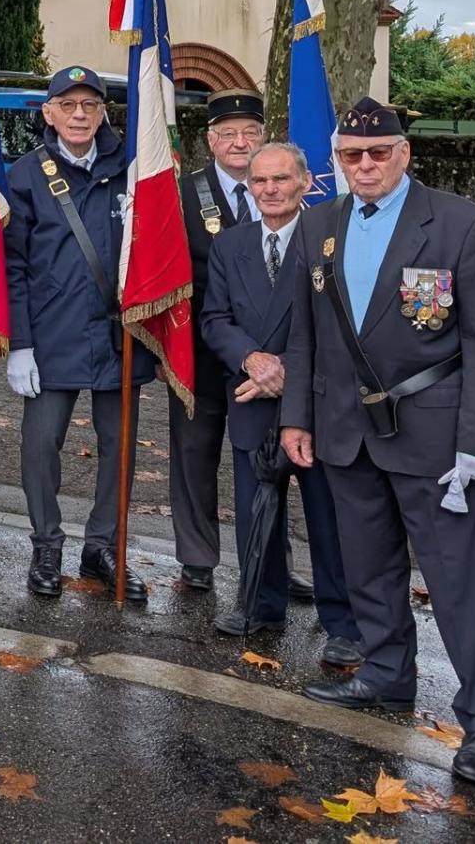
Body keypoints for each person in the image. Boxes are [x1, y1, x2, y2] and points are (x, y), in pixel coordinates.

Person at [281, 97, 475, 786]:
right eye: (352, 155)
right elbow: (306, 334)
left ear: (404, 153)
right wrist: (297, 416)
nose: (366, 165)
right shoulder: (319, 223)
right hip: (346, 431)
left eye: (378, 152)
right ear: (338, 161)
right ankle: (385, 674)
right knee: (369, 568)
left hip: (435, 434)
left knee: (457, 579)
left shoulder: (461, 224)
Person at [200, 140, 360, 663]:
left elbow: (342, 321)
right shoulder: (230, 245)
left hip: (313, 401)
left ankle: (343, 622)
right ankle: (259, 604)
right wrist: (252, 360)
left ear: (306, 183)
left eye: (281, 180)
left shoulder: (331, 238)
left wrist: (287, 372)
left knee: (328, 518)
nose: (270, 190)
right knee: (254, 510)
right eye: (260, 181)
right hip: (250, 394)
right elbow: (215, 320)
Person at [5, 65, 149, 602]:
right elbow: (13, 264)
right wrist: (19, 343)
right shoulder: (24, 175)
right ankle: (46, 544)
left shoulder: (133, 169)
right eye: (68, 105)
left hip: (119, 335)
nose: (80, 114)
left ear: (103, 112)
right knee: (41, 445)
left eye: (90, 104)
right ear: (49, 113)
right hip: (51, 334)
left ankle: (103, 547)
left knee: (120, 450)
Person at [172, 88, 265, 592]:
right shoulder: (184, 191)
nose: (239, 142)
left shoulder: (284, 187)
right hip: (199, 350)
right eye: (228, 133)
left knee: (265, 461)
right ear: (210, 140)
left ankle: (269, 559)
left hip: (267, 354)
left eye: (250, 131)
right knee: (194, 455)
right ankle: (197, 557)